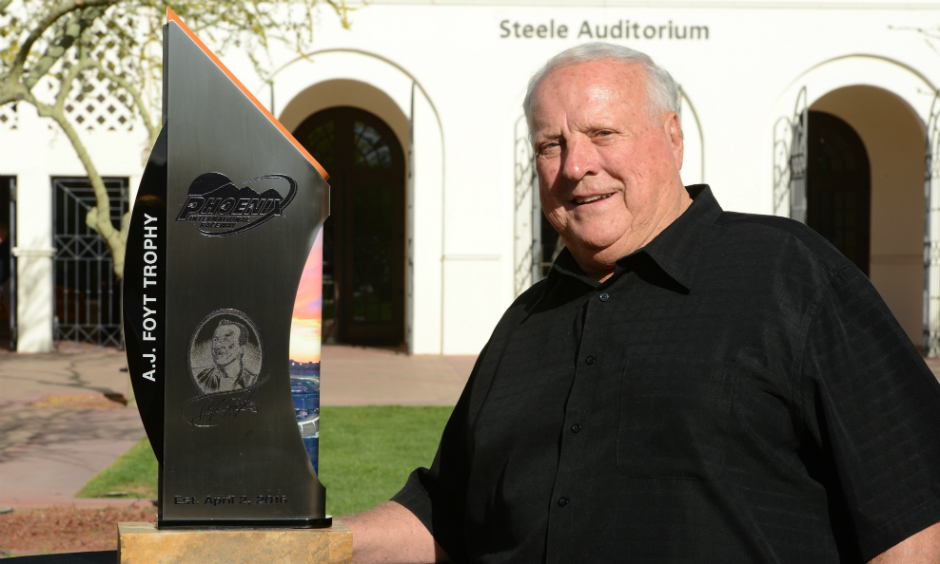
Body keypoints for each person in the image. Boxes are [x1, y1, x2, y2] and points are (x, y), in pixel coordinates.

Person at [341, 43, 940, 563]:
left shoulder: (790, 275)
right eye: (551, 144)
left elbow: (914, 510)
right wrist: (309, 542)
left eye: (603, 133)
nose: (576, 166)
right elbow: (446, 516)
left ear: (673, 139)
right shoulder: (523, 326)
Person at [194, 319, 258, 393]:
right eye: (215, 339)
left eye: (226, 340)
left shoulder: (252, 382)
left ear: (241, 349)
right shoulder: (201, 379)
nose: (217, 345)